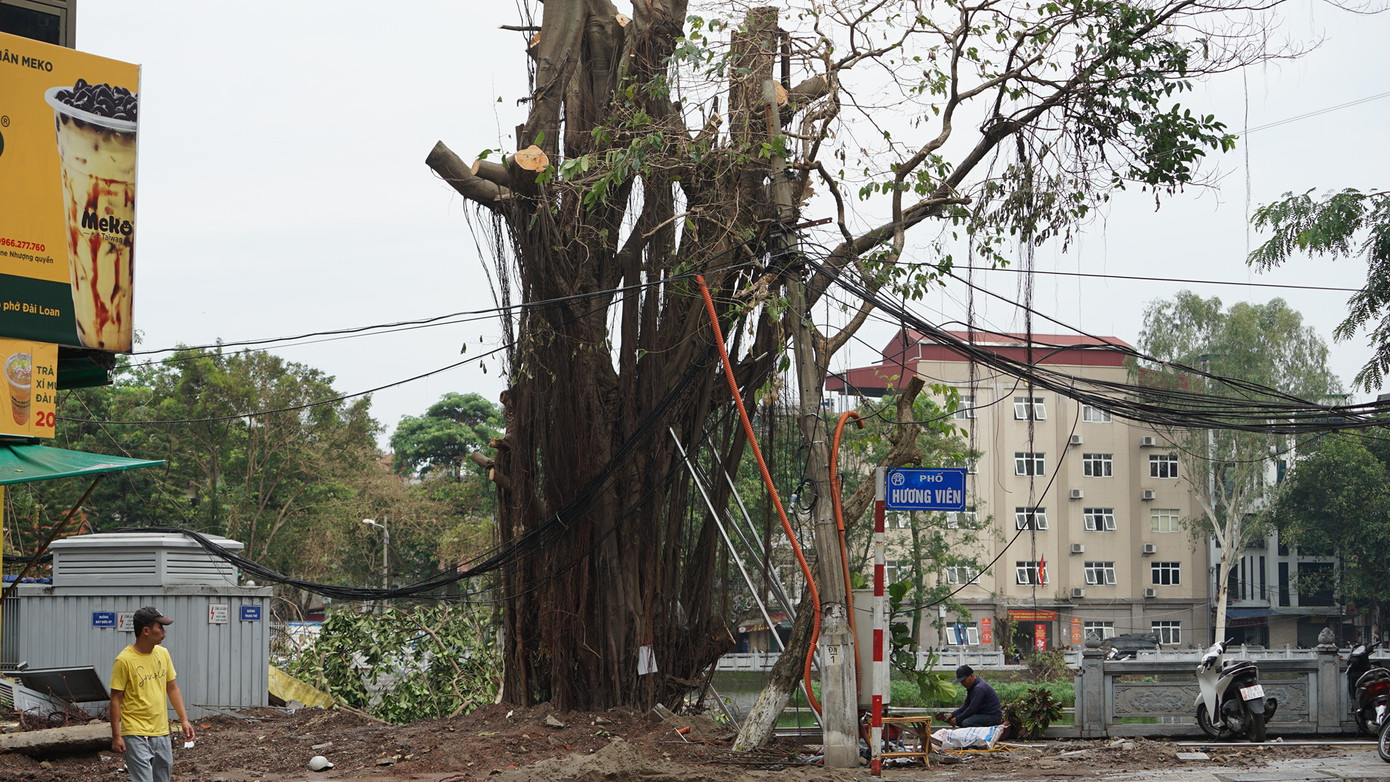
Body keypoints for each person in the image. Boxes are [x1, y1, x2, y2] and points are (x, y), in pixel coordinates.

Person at [110, 606, 196, 782]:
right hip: (134, 732)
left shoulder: (162, 654)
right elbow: (115, 699)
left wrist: (184, 720)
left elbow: (172, 688)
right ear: (146, 631)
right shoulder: (124, 660)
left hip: (161, 731)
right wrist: (116, 735)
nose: (164, 632)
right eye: (160, 627)